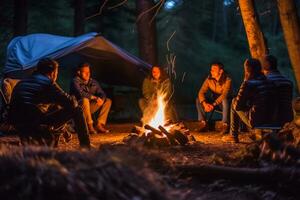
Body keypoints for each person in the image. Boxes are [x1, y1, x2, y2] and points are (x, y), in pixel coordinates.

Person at [8, 58, 90, 148]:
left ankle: (55, 135)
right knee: (77, 110)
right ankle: (85, 146)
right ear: (53, 73)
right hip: (35, 122)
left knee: (55, 106)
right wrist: (73, 98)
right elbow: (71, 103)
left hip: (16, 122)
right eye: (57, 73)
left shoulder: (23, 81)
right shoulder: (48, 83)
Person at [228, 58, 275, 143]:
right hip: (272, 118)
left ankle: (233, 136)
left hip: (256, 119)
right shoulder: (268, 81)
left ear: (247, 69)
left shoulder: (248, 83)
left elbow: (237, 106)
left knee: (233, 102)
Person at [70, 63, 111, 134]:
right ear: (79, 72)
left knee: (108, 101)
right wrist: (94, 97)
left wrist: (102, 99)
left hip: (89, 108)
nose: (87, 74)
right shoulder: (75, 81)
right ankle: (90, 126)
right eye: (85, 72)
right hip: (78, 108)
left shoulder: (93, 82)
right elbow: (81, 93)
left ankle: (99, 124)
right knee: (85, 100)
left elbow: (102, 93)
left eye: (88, 72)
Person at [196, 62, 232, 132]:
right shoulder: (209, 79)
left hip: (225, 104)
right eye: (211, 69)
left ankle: (225, 124)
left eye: (214, 69)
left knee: (224, 100)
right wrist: (205, 104)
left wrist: (213, 104)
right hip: (214, 101)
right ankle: (203, 123)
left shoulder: (228, 80)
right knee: (198, 99)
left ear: (221, 71)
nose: (211, 71)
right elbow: (201, 92)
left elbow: (224, 95)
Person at [262, 55, 294, 126]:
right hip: (288, 118)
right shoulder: (288, 82)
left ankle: (235, 135)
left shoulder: (265, 82)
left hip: (272, 119)